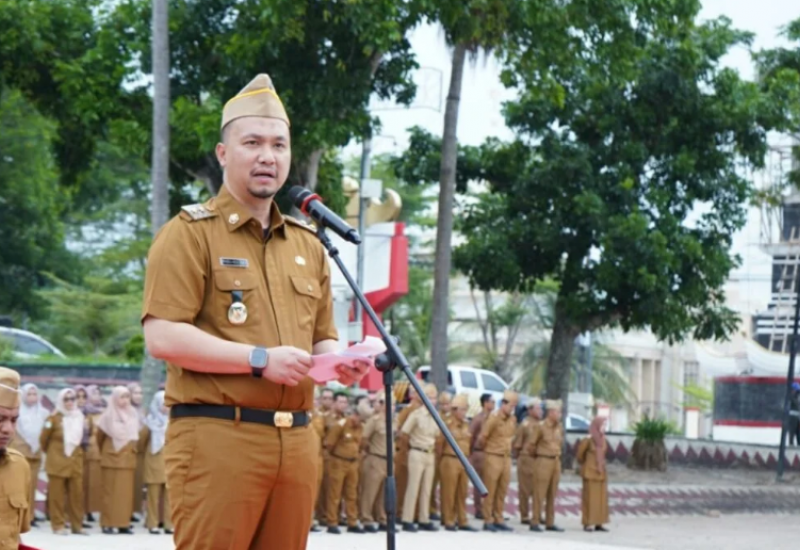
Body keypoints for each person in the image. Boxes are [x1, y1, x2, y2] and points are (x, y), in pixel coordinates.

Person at [140, 72, 370, 550]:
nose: (268, 156)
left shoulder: (308, 244)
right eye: (253, 143)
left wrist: (340, 362)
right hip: (220, 437)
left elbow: (321, 337)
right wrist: (260, 360)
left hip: (299, 441)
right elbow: (162, 337)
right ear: (224, 154)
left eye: (280, 146)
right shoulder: (190, 234)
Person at [40, 388, 87, 535]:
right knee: (57, 496)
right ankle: (58, 525)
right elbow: (43, 440)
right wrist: (54, 453)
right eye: (66, 399)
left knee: (76, 495)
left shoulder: (79, 416)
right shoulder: (53, 418)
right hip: (57, 461)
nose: (70, 402)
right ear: (61, 400)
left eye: (72, 399)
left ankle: (77, 526)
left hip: (75, 461)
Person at [96, 385, 140, 535]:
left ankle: (123, 523)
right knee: (109, 493)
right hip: (111, 458)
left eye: (127, 397)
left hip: (127, 459)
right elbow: (99, 438)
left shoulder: (133, 414)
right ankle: (107, 523)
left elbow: (136, 437)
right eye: (122, 397)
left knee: (125, 495)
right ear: (114, 398)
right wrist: (108, 450)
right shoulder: (107, 415)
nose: (125, 400)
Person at [399, 383, 440, 532]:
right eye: (430, 397)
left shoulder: (436, 416)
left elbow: (437, 436)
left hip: (430, 453)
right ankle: (407, 519)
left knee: (427, 489)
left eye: (434, 398)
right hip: (417, 452)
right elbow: (404, 433)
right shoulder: (416, 414)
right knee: (413, 487)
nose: (433, 401)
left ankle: (424, 518)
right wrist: (409, 448)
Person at [476, 390, 518, 532]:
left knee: (502, 490)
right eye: (510, 406)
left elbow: (512, 436)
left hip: (506, 457)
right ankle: (488, 520)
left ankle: (498, 517)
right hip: (493, 456)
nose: (512, 409)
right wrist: (488, 450)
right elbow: (483, 437)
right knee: (490, 490)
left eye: (514, 406)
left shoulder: (512, 419)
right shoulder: (493, 418)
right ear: (503, 404)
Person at [0, 366, 32, 548]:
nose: (8, 430)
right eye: (0, 419)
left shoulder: (20, 467)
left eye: (13, 420)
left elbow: (15, 535)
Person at [436, 393, 477, 532]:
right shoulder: (447, 424)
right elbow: (439, 444)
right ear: (454, 410)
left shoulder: (466, 424)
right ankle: (448, 520)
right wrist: (441, 460)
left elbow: (469, 443)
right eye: (462, 409)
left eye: (466, 409)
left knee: (462, 491)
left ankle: (462, 520)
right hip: (450, 459)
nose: (465, 412)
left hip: (464, 461)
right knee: (449, 492)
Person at [11, 383, 48, 525]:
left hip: (35, 454)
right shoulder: (16, 412)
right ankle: (17, 515)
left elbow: (45, 435)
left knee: (31, 486)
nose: (32, 397)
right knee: (18, 486)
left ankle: (29, 516)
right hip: (19, 453)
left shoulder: (43, 413)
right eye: (29, 394)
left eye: (34, 394)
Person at [527, 399, 565, 533]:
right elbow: (531, 446)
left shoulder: (559, 427)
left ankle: (550, 522)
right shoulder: (540, 426)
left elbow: (560, 443)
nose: (560, 415)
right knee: (539, 493)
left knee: (552, 493)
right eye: (558, 412)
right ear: (551, 412)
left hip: (555, 461)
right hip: (543, 461)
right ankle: (535, 521)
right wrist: (539, 456)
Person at [324, 406, 364, 534]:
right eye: (359, 417)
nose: (360, 420)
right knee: (335, 494)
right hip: (338, 462)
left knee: (352, 494)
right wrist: (336, 457)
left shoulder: (360, 427)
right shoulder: (340, 425)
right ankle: (332, 522)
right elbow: (329, 443)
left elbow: (360, 444)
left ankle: (352, 521)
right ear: (354, 415)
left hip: (353, 463)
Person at [140, 390, 173, 535]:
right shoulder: (149, 422)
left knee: (169, 497)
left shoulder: (174, 422)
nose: (166, 407)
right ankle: (152, 524)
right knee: (152, 496)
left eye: (168, 403)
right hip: (153, 461)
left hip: (170, 462)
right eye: (163, 403)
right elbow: (141, 442)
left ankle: (169, 524)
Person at [359, 390, 390, 532]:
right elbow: (364, 438)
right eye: (383, 402)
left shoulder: (393, 420)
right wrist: (368, 451)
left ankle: (382, 518)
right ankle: (366, 518)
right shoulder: (374, 420)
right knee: (370, 491)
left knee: (384, 493)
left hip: (388, 460)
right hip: (375, 458)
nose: (389, 406)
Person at [576, 416, 610, 532]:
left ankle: (599, 523)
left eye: (605, 425)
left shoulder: (603, 439)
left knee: (600, 500)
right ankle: (588, 523)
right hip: (590, 472)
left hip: (600, 473)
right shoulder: (588, 439)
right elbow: (580, 455)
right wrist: (588, 464)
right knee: (589, 499)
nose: (604, 427)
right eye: (602, 425)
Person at [513, 397, 542, 524]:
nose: (540, 411)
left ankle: (537, 514)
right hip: (526, 459)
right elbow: (517, 444)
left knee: (539, 488)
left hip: (539, 459)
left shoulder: (542, 425)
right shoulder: (524, 425)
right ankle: (524, 515)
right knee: (525, 489)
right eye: (537, 408)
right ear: (530, 410)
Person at [78, 384, 104, 522]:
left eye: (98, 393)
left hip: (96, 452)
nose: (97, 396)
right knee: (81, 482)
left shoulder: (103, 412)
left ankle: (90, 510)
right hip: (81, 451)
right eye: (93, 393)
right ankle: (79, 511)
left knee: (93, 483)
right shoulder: (82, 412)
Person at [395, 386, 421, 519]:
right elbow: (400, 430)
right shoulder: (408, 410)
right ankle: (399, 512)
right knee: (403, 484)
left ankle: (416, 514)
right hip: (406, 451)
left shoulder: (425, 410)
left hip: (420, 451)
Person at [469, 393, 494, 519]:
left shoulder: (494, 418)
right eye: (491, 402)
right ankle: (478, 509)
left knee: (490, 482)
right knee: (480, 483)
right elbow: (471, 435)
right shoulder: (478, 419)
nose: (493, 405)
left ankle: (489, 509)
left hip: (492, 454)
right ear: (485, 403)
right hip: (479, 453)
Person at [429, 390, 452, 520]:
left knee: (447, 486)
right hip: (436, 454)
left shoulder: (453, 418)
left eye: (447, 404)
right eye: (442, 404)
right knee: (432, 484)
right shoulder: (436, 416)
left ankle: (446, 512)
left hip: (447, 455)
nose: (445, 406)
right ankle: (431, 509)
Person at [127, 382, 146, 521]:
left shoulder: (142, 411)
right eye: (135, 393)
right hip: (127, 452)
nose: (138, 396)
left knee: (137, 483)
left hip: (141, 452)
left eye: (140, 393)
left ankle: (134, 510)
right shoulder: (124, 411)